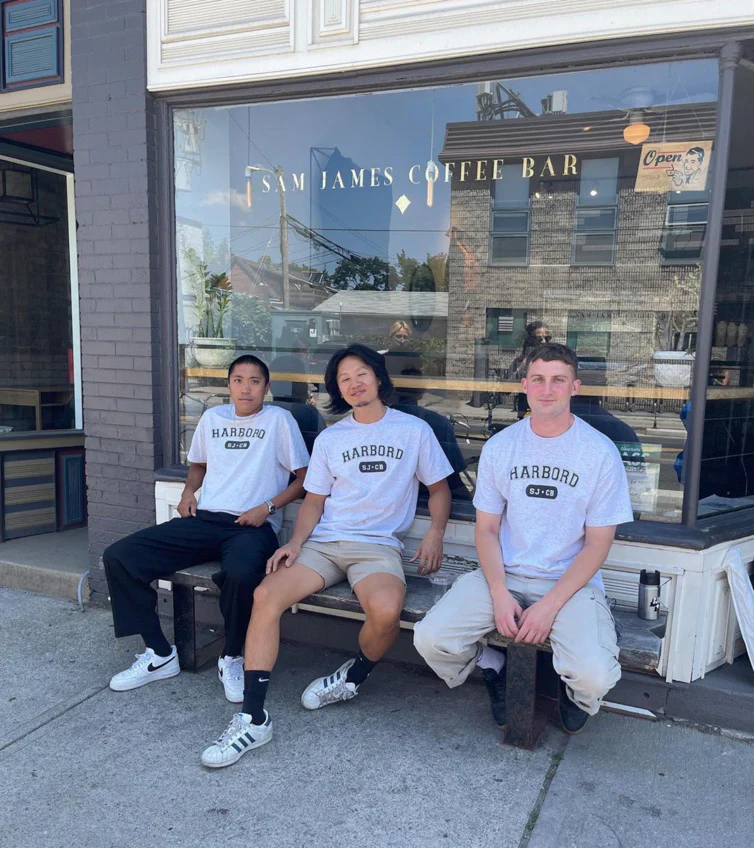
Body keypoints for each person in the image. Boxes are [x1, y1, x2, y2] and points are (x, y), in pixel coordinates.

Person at [201, 343, 453, 768]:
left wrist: (436, 535)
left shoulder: (413, 430)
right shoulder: (333, 437)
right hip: (324, 544)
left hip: (376, 547)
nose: (354, 384)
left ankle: (352, 677)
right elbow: (314, 501)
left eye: (361, 374)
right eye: (343, 379)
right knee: (265, 595)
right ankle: (253, 717)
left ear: (377, 377)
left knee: (387, 611)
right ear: (337, 388)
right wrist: (296, 543)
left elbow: (440, 488)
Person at [414, 343, 633, 734]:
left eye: (557, 380)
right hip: (504, 574)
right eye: (538, 379)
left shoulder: (599, 453)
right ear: (524, 385)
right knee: (431, 639)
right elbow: (487, 529)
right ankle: (494, 668)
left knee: (594, 675)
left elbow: (598, 543)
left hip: (570, 584)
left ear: (575, 387)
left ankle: (576, 694)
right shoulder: (502, 446)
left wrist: (549, 606)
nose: (547, 389)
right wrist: (499, 593)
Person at [103, 355, 310, 703]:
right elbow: (198, 465)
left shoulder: (280, 421)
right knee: (120, 556)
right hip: (207, 519)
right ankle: (159, 653)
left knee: (243, 575)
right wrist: (187, 492)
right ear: (228, 385)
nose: (246, 387)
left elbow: (304, 480)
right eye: (239, 380)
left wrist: (268, 507)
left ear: (267, 387)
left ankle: (231, 656)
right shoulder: (213, 418)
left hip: (252, 526)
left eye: (255, 381)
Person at [510, 321, 551, 419]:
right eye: (539, 339)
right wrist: (521, 367)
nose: (544, 342)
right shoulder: (520, 361)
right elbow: (506, 389)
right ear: (529, 340)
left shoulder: (554, 361)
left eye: (547, 338)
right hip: (526, 410)